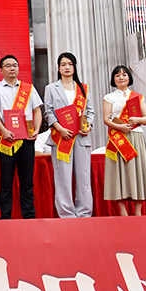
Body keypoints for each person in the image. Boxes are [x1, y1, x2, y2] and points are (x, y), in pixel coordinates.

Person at [0, 54, 43, 219]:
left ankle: (29, 215)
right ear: (1, 70)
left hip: (26, 140)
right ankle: (5, 215)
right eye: (8, 66)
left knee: (27, 180)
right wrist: (3, 130)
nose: (12, 68)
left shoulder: (28, 88)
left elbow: (37, 110)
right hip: (6, 140)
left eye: (15, 65)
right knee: (6, 180)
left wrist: (37, 129)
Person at [43, 52, 95, 218]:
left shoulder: (83, 88)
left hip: (81, 138)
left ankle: (84, 212)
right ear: (58, 68)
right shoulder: (51, 88)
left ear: (74, 67)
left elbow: (90, 111)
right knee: (63, 178)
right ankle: (66, 213)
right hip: (61, 138)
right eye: (63, 64)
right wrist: (60, 128)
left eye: (70, 64)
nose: (67, 67)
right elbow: (48, 112)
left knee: (83, 177)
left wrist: (88, 126)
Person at [102, 65, 146, 216]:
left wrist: (137, 119)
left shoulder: (138, 97)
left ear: (129, 78)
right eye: (117, 75)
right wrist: (120, 127)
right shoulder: (109, 97)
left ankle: (138, 211)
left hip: (136, 137)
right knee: (119, 173)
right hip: (118, 138)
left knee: (137, 172)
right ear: (113, 79)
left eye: (124, 74)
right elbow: (106, 119)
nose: (121, 77)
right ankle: (122, 210)